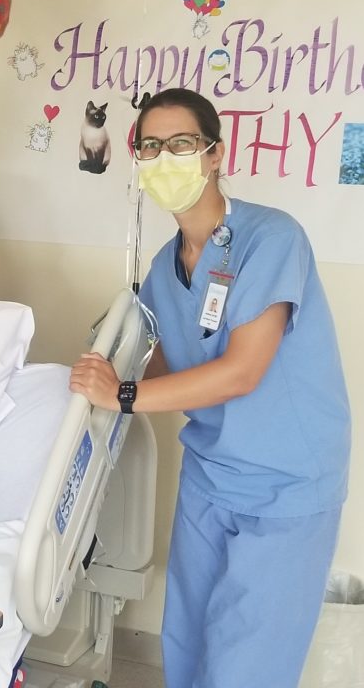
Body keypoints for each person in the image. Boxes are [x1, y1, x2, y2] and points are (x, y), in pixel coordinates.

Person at [70, 87, 351, 688]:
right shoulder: (163, 270)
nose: (165, 157)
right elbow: (173, 371)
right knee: (190, 639)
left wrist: (120, 395)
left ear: (215, 154)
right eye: (151, 146)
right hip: (211, 471)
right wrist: (103, 371)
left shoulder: (272, 238)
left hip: (287, 479)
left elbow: (242, 372)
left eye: (182, 144)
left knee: (248, 658)